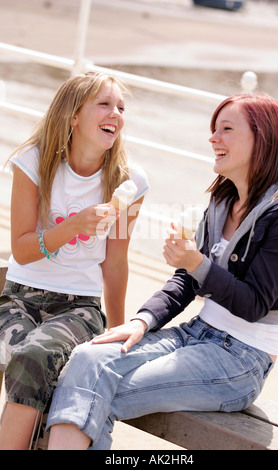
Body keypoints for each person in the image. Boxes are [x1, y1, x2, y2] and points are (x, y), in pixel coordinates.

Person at [46, 93, 278, 450]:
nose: (213, 139)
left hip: (241, 360)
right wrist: (141, 321)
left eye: (226, 129)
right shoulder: (222, 202)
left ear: (263, 139)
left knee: (93, 389)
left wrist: (196, 262)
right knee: (87, 358)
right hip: (196, 334)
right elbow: (185, 282)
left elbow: (255, 304)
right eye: (214, 130)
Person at [0, 71, 149, 450]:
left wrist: (117, 333)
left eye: (121, 107)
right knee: (23, 352)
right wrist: (76, 225)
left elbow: (115, 263)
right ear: (73, 116)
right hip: (20, 295)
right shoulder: (33, 162)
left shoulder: (128, 181)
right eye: (104, 104)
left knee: (34, 356)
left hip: (78, 307)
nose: (115, 113)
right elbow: (22, 248)